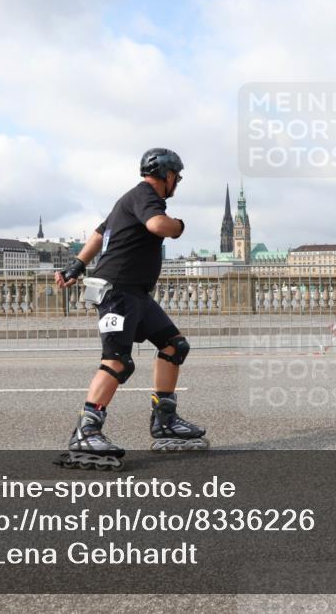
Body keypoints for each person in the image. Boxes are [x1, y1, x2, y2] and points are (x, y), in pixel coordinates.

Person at [54, 148, 207, 470]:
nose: (177, 183)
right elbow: (157, 226)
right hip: (117, 292)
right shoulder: (146, 196)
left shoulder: (132, 198)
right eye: (176, 177)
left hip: (135, 293)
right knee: (118, 362)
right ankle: (86, 430)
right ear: (167, 176)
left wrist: (77, 264)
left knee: (174, 346)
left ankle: (164, 420)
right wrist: (178, 226)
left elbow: (99, 233)